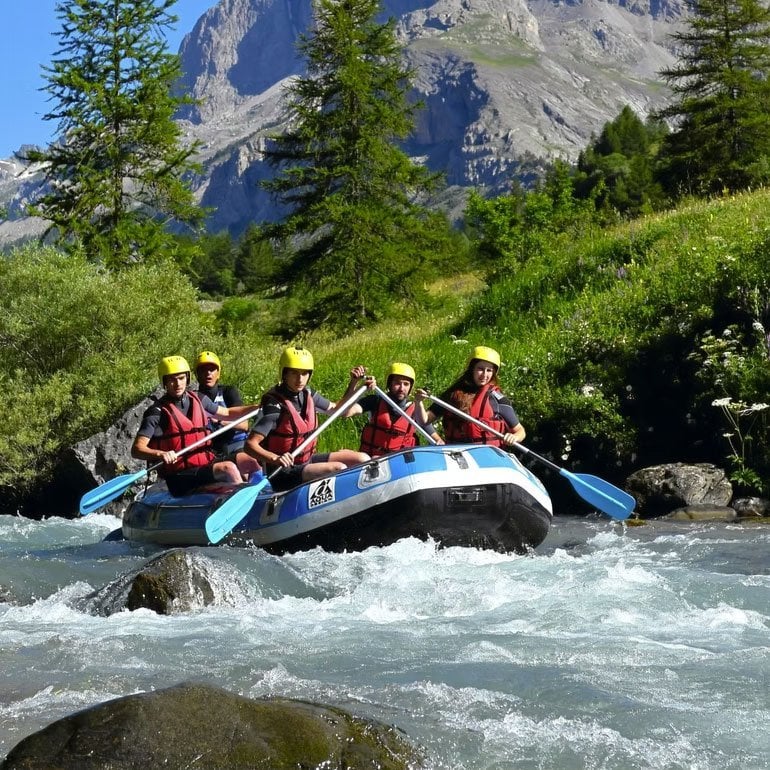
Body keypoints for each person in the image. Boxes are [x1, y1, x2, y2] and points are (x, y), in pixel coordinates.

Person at [244, 346, 371, 492]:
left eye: (304, 373)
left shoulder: (308, 394)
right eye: (294, 373)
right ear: (284, 374)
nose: (300, 379)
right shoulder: (274, 405)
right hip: (283, 471)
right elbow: (250, 445)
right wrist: (275, 458)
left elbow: (338, 410)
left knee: (362, 459)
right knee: (339, 468)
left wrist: (354, 383)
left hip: (307, 461)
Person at [132, 356, 261, 497]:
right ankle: (242, 505)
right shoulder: (156, 412)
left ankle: (260, 496)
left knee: (251, 460)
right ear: (165, 382)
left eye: (181, 378)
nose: (177, 384)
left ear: (187, 378)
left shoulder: (199, 399)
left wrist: (259, 407)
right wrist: (161, 454)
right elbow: (137, 449)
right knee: (228, 469)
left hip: (205, 463)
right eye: (172, 380)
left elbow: (228, 413)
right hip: (179, 475)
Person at [421, 345, 526, 447]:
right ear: (472, 369)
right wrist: (418, 402)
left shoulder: (497, 398)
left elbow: (520, 431)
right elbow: (424, 420)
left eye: (489, 370)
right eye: (480, 369)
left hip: (487, 455)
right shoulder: (452, 394)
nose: (484, 375)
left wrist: (514, 437)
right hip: (457, 455)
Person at [357, 362, 443, 458]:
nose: (402, 388)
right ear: (389, 384)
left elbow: (436, 439)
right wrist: (360, 386)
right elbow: (347, 411)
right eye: (397, 383)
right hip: (372, 462)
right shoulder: (375, 401)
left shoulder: (415, 410)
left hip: (401, 464)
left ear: (411, 387)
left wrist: (439, 444)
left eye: (406, 384)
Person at [193, 350, 251, 457]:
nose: (208, 373)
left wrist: (220, 422)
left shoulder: (229, 391)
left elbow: (244, 425)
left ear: (218, 373)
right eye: (203, 370)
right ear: (197, 374)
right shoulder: (193, 398)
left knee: (246, 462)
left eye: (212, 369)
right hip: (211, 448)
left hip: (236, 444)